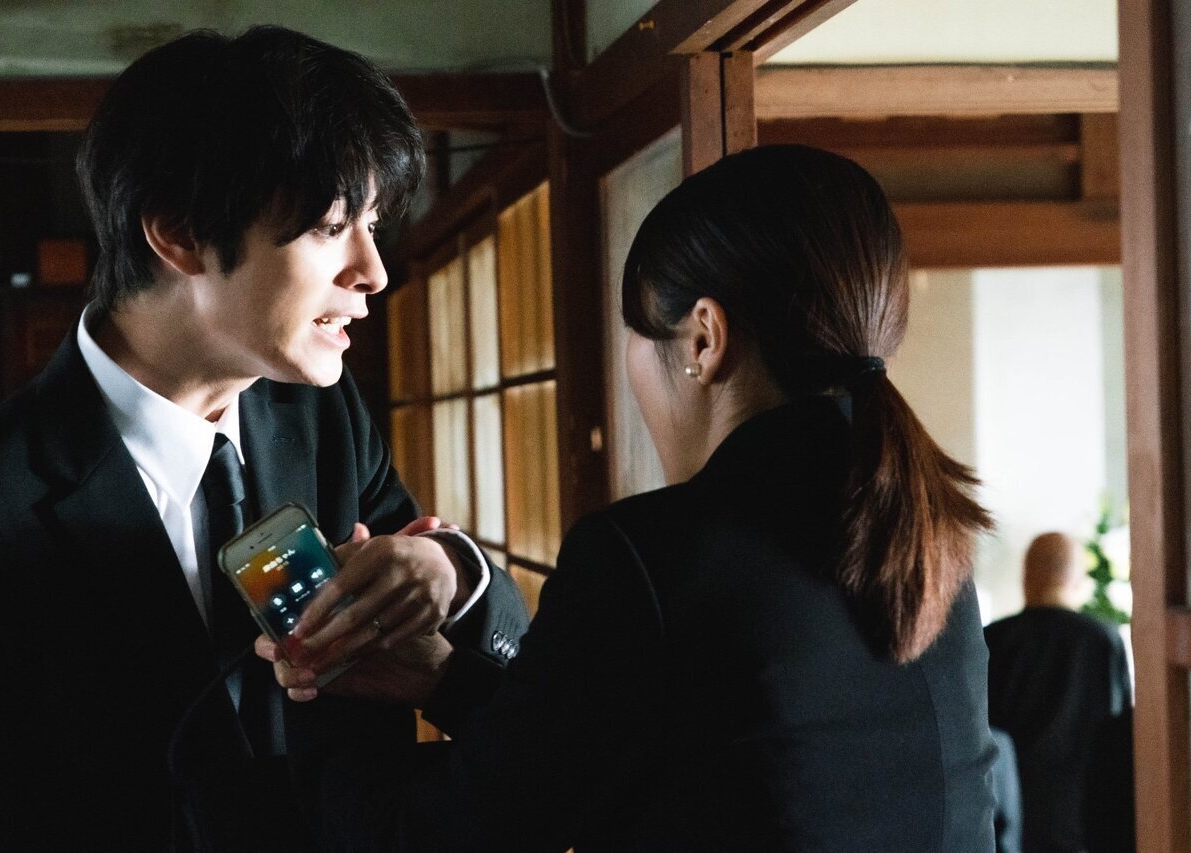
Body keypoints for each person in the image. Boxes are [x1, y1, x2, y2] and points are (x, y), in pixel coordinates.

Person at [262, 144, 999, 851]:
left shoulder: (651, 557)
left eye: (639, 334)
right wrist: (447, 681)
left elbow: (446, 834)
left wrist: (320, 694)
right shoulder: (928, 535)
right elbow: (676, 751)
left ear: (704, 339)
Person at [0, 26, 526, 852]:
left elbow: (482, 671)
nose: (374, 270)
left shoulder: (323, 414)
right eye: (332, 225)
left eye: (374, 222)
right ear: (178, 231)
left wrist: (450, 571)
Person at [985, 532, 1133, 853]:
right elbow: (1120, 738)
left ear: (1026, 577)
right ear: (1076, 580)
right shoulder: (1103, 641)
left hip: (1011, 823)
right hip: (1084, 821)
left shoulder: (992, 640)